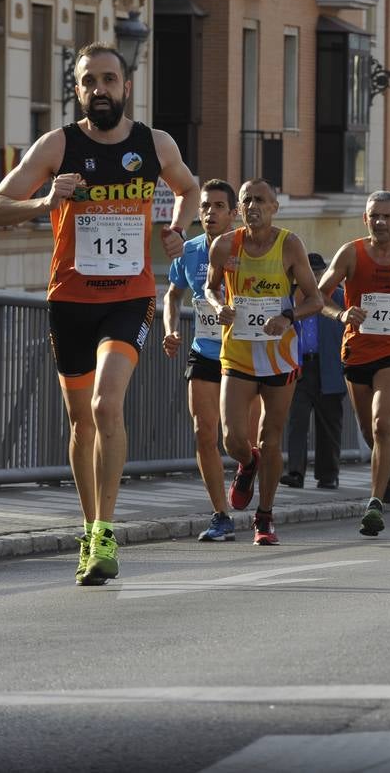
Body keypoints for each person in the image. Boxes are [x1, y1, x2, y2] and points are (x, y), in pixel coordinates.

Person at [0, 43, 199, 586]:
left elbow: (189, 188)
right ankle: (88, 526)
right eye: (88, 82)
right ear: (77, 90)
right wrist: (45, 203)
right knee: (80, 420)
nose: (100, 89)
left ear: (126, 86)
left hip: (129, 298)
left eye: (109, 79)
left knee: (106, 404)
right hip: (70, 300)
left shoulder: (155, 143)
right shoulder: (58, 145)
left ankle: (105, 529)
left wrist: (179, 230)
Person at [205, 180, 322, 546]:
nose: (253, 205)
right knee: (231, 438)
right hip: (237, 351)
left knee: (271, 439)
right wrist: (218, 306)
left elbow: (315, 300)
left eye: (260, 200)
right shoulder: (225, 245)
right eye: (246, 201)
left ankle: (265, 516)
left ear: (274, 206)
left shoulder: (290, 244)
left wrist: (288, 316)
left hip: (278, 356)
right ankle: (247, 463)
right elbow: (209, 287)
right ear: (238, 209)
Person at [317, 191, 390, 538]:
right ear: (366, 218)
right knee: (367, 431)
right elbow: (319, 294)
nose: (381, 222)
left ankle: (374, 504)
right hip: (357, 351)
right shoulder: (351, 253)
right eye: (375, 215)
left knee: (381, 423)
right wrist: (342, 313)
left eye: (389, 217)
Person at [163, 179, 257, 541]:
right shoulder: (189, 251)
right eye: (204, 207)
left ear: (233, 212)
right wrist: (171, 330)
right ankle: (220, 515)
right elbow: (173, 295)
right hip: (205, 350)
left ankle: (248, 466)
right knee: (204, 432)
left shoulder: (251, 247)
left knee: (244, 440)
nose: (210, 213)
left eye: (219, 206)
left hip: (248, 354)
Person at [281, 252, 347, 490]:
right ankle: (295, 472)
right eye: (311, 273)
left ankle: (328, 475)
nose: (315, 277)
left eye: (319, 273)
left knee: (329, 422)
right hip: (299, 366)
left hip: (330, 365)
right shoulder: (290, 297)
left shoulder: (338, 296)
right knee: (297, 421)